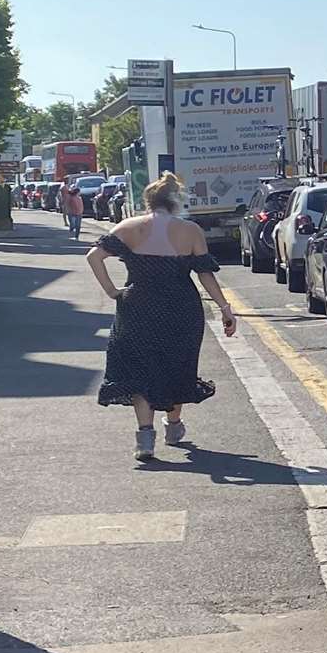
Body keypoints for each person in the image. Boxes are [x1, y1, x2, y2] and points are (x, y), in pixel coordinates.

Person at [85, 172, 237, 461]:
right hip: (181, 308)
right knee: (176, 365)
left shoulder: (129, 227)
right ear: (175, 202)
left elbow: (93, 256)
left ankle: (145, 438)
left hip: (137, 307)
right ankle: (173, 425)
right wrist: (224, 308)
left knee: (139, 370)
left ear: (148, 201)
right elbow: (205, 273)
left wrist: (113, 291)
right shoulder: (190, 231)